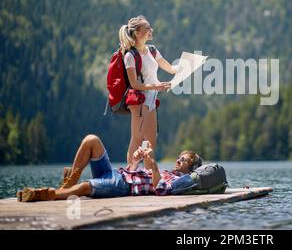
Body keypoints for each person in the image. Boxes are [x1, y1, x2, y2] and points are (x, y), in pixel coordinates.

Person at [16, 134, 202, 202]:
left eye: (183, 160)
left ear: (190, 168)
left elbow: (160, 190)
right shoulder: (169, 172)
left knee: (86, 187)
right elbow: (131, 171)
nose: (178, 161)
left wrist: (153, 165)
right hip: (117, 173)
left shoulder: (178, 181)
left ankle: (48, 194)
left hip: (123, 186)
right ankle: (67, 184)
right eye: (178, 158)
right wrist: (136, 161)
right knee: (91, 140)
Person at [118, 15, 181, 168]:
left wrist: (188, 65)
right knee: (137, 139)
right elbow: (134, 84)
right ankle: (130, 174)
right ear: (137, 33)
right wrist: (156, 86)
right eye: (147, 28)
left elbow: (171, 69)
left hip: (151, 99)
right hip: (138, 100)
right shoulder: (129, 56)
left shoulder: (152, 51)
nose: (151, 30)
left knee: (150, 141)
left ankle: (147, 174)